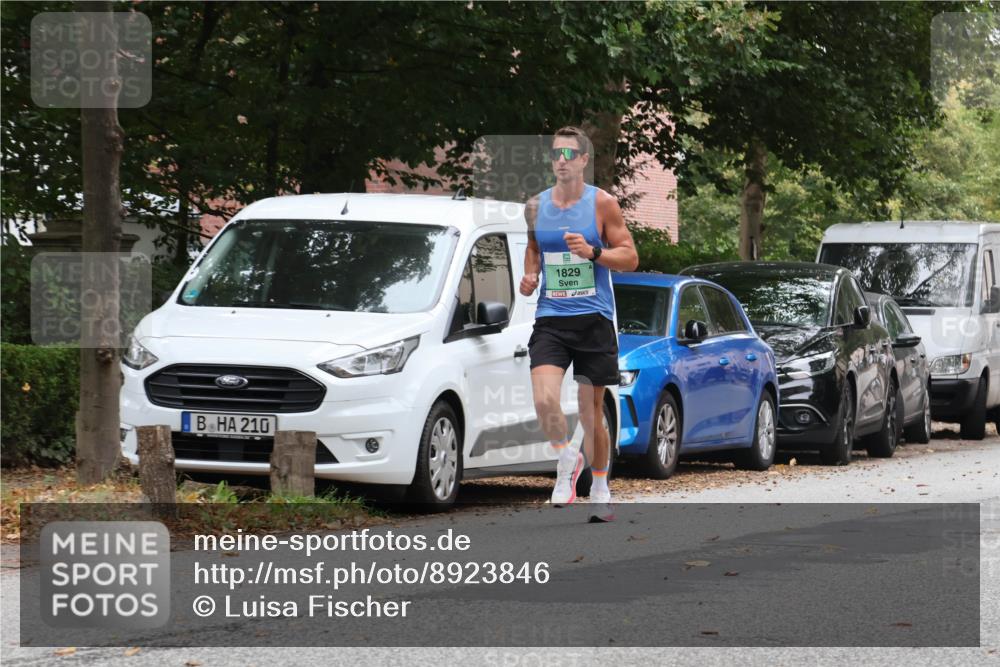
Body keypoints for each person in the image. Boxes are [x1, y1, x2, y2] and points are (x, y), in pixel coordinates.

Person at [520, 126, 639, 522]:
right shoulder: (536, 206)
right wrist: (530, 276)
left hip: (594, 321)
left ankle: (601, 488)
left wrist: (593, 252)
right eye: (557, 154)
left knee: (591, 414)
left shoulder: (603, 204)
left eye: (570, 154)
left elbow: (630, 258)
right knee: (543, 399)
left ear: (585, 160)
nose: (562, 161)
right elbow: (534, 249)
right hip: (551, 318)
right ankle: (565, 457)